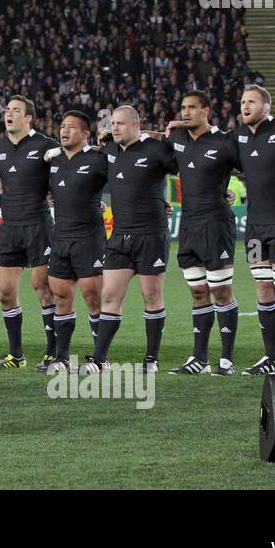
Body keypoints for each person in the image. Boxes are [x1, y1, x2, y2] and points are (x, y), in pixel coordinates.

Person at [93, 105, 175, 374]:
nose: (113, 127)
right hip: (119, 235)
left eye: (120, 123)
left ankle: (151, 359)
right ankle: (99, 360)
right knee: (109, 295)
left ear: (136, 125)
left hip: (151, 234)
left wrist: (224, 194)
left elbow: (191, 168)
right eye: (112, 123)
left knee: (151, 295)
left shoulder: (155, 150)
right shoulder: (109, 151)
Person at [167, 91, 242, 376]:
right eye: (182, 107)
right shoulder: (177, 139)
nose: (185, 112)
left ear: (206, 110)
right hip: (188, 224)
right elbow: (150, 137)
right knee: (198, 292)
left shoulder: (224, 142)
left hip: (217, 223)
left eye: (191, 108)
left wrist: (231, 190)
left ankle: (226, 360)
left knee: (221, 291)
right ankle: (199, 359)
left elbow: (254, 169)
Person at [0, 96, 59, 369]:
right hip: (9, 227)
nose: (9, 114)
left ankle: (53, 352)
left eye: (15, 111)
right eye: (7, 110)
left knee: (43, 288)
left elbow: (68, 169)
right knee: (5, 293)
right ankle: (16, 355)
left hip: (38, 226)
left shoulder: (45, 145)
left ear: (29, 117)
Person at [44, 111, 107, 373]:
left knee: (93, 298)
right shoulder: (53, 162)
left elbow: (129, 182)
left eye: (71, 127)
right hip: (61, 237)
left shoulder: (98, 159)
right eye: (62, 126)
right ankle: (63, 358)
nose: (64, 130)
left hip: (89, 238)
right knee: (61, 299)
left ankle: (101, 360)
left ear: (85, 134)